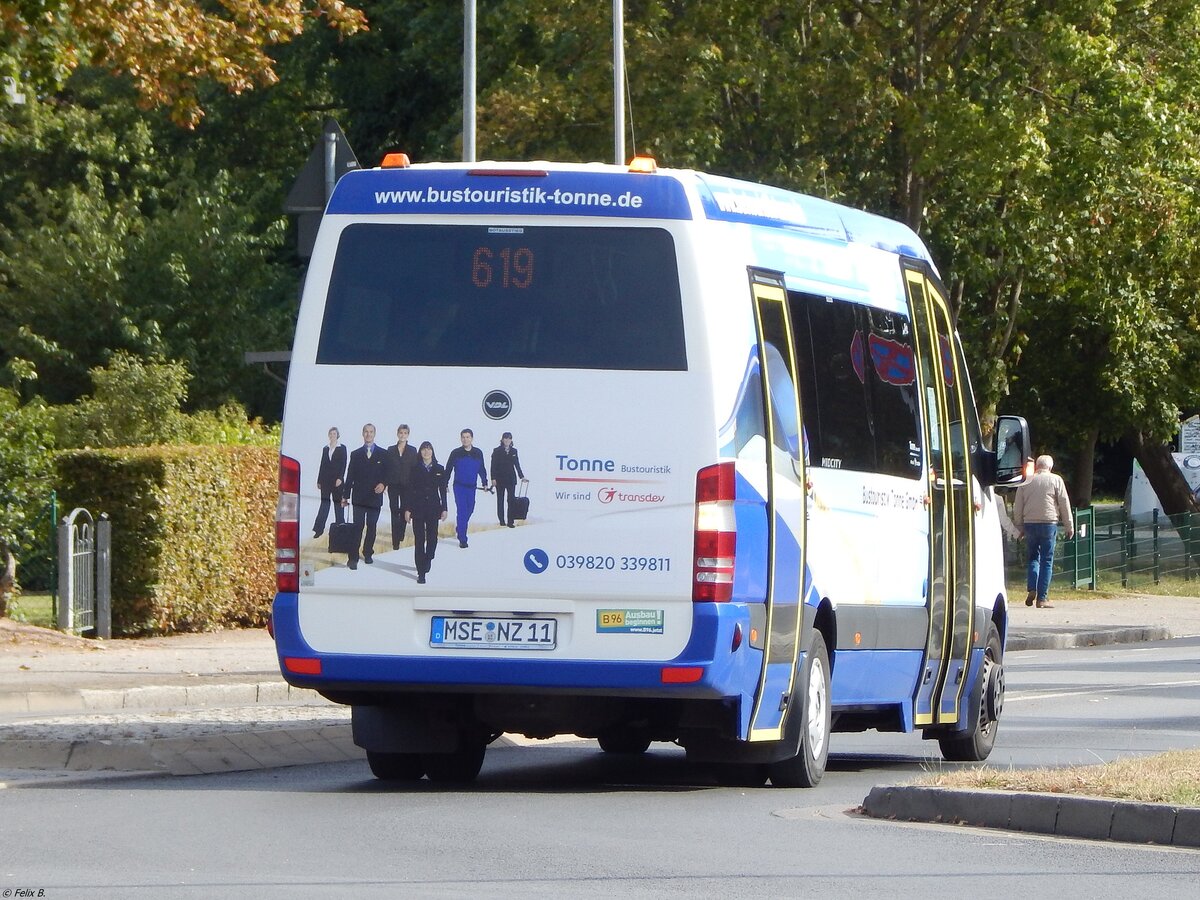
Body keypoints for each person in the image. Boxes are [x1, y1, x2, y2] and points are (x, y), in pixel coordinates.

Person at [1013, 454, 1075, 608]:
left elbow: (1018, 505)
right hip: (1049, 523)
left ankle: (1032, 588)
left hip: (1030, 523)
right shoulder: (1056, 480)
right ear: (1050, 467)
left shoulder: (1026, 480)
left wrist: (1019, 526)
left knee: (1033, 558)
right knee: (1047, 560)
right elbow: (1064, 503)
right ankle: (1042, 597)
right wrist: (1069, 525)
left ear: (1037, 466)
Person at [341, 423, 389, 570]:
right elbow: (350, 475)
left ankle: (368, 553)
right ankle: (353, 557)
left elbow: (388, 473)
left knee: (372, 527)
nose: (368, 434)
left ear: (375, 434)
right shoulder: (355, 454)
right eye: (366, 432)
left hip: (375, 496)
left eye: (371, 432)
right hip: (359, 497)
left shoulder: (383, 453)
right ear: (363, 434)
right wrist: (345, 496)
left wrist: (384, 484)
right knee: (357, 527)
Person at [405, 441, 447, 584]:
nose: (426, 452)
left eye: (429, 449)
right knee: (419, 540)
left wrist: (444, 508)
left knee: (432, 538)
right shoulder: (414, 468)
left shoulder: (439, 468)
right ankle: (420, 572)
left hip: (433, 507)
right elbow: (409, 490)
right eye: (423, 449)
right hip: (417, 507)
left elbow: (443, 491)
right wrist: (407, 509)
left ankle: (428, 557)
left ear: (432, 451)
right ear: (420, 452)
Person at [444, 428, 488, 548]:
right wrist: (445, 483)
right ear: (461, 439)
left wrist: (485, 482)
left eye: (468, 437)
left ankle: (460, 527)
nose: (465, 439)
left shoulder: (478, 453)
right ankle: (463, 539)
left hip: (472, 487)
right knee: (462, 511)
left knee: (470, 509)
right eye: (463, 437)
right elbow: (448, 469)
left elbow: (481, 469)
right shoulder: (456, 453)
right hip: (459, 486)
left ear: (472, 438)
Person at [386, 424, 419, 549]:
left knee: (404, 510)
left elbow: (415, 469)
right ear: (397, 434)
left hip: (407, 485)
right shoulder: (390, 450)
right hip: (393, 484)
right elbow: (387, 468)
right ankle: (395, 541)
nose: (403, 435)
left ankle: (401, 533)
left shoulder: (412, 450)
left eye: (405, 433)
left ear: (408, 435)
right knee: (394, 510)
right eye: (401, 433)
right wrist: (386, 483)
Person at [312, 427, 347, 538]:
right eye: (331, 433)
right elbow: (322, 465)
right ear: (329, 435)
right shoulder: (325, 449)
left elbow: (344, 464)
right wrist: (319, 480)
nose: (332, 435)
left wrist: (340, 478)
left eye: (334, 433)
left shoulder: (342, 448)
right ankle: (318, 529)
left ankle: (340, 530)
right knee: (324, 505)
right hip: (325, 481)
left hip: (337, 481)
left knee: (338, 505)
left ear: (337, 435)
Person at [490, 431, 528, 528]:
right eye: (505, 438)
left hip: (511, 479)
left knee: (511, 500)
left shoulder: (514, 451)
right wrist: (493, 478)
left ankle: (510, 521)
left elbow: (517, 465)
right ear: (502, 440)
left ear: (511, 440)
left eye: (509, 438)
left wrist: (522, 476)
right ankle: (502, 520)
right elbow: (493, 466)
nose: (507, 440)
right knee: (500, 500)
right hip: (500, 479)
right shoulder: (497, 451)